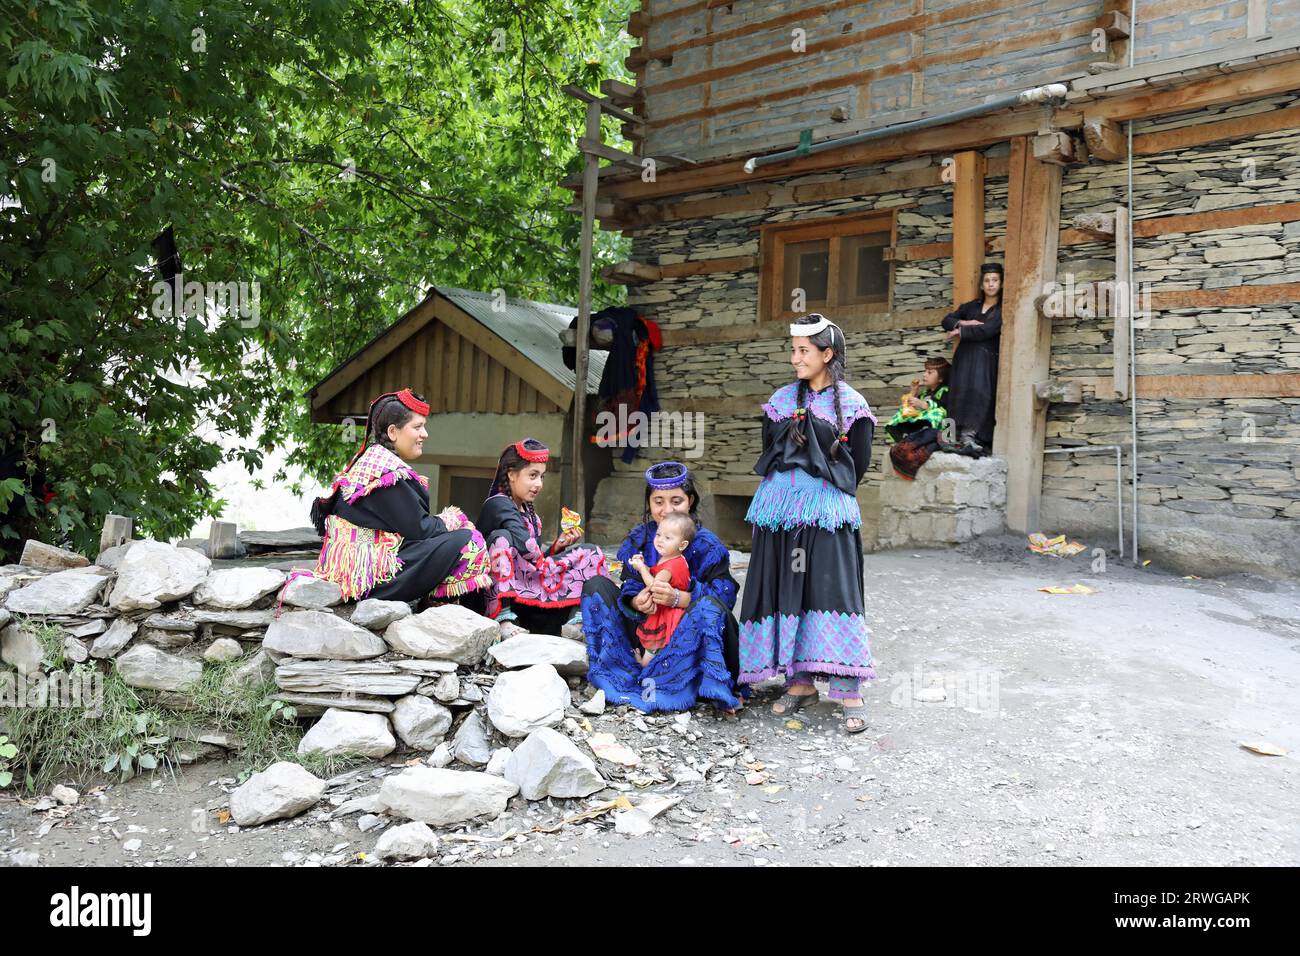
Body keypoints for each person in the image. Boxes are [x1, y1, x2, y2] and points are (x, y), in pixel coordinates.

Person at [739, 314, 878, 734]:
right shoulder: (781, 401)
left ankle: (848, 688)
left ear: (826, 354)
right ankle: (798, 682)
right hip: (779, 512)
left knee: (830, 589)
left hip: (827, 512)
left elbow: (862, 464)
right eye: (794, 349)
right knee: (786, 587)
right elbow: (769, 450)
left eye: (803, 350)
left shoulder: (852, 406)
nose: (794, 358)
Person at [298, 388, 493, 604]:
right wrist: (448, 520)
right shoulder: (389, 475)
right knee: (470, 540)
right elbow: (419, 530)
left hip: (355, 571)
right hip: (370, 581)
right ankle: (435, 604)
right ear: (393, 432)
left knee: (453, 535)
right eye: (418, 427)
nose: (425, 434)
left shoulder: (372, 463)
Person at [582, 461, 741, 714]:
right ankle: (620, 671)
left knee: (711, 608)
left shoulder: (707, 545)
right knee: (596, 586)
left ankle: (702, 684)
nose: (667, 510)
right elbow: (630, 584)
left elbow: (724, 598)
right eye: (658, 502)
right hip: (648, 631)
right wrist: (636, 602)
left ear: (690, 501)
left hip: (686, 635)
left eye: (676, 501)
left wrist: (680, 598)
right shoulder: (640, 539)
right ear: (649, 504)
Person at [475, 438, 609, 636]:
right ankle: (502, 618)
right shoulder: (498, 504)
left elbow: (531, 560)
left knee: (591, 552)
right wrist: (552, 565)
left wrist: (557, 547)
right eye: (532, 475)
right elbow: (528, 550)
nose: (539, 484)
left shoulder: (530, 513)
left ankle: (580, 622)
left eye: (542, 477)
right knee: (501, 537)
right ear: (511, 474)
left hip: (528, 589)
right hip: (491, 595)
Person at [940, 262, 1003, 456]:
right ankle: (948, 436)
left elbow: (988, 329)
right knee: (957, 393)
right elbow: (946, 320)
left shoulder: (1002, 309)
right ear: (982, 285)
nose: (991, 284)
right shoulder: (971, 306)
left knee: (979, 395)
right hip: (965, 357)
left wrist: (961, 331)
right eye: (987, 280)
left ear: (1001, 283)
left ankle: (970, 436)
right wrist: (966, 321)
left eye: (995, 280)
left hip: (985, 359)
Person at [626, 511, 694, 665]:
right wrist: (647, 566)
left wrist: (642, 568)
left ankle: (644, 667)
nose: (660, 541)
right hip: (673, 610)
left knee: (654, 648)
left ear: (682, 545)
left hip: (665, 613)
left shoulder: (669, 566)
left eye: (668, 538)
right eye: (658, 535)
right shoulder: (675, 558)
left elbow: (654, 586)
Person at [884, 355, 950, 480]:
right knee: (902, 414)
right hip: (921, 428)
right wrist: (913, 392)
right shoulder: (925, 393)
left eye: (929, 372)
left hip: (937, 429)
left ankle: (911, 444)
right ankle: (906, 439)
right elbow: (908, 409)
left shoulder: (945, 391)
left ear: (941, 378)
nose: (925, 375)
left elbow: (942, 409)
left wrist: (924, 405)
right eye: (925, 371)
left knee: (936, 413)